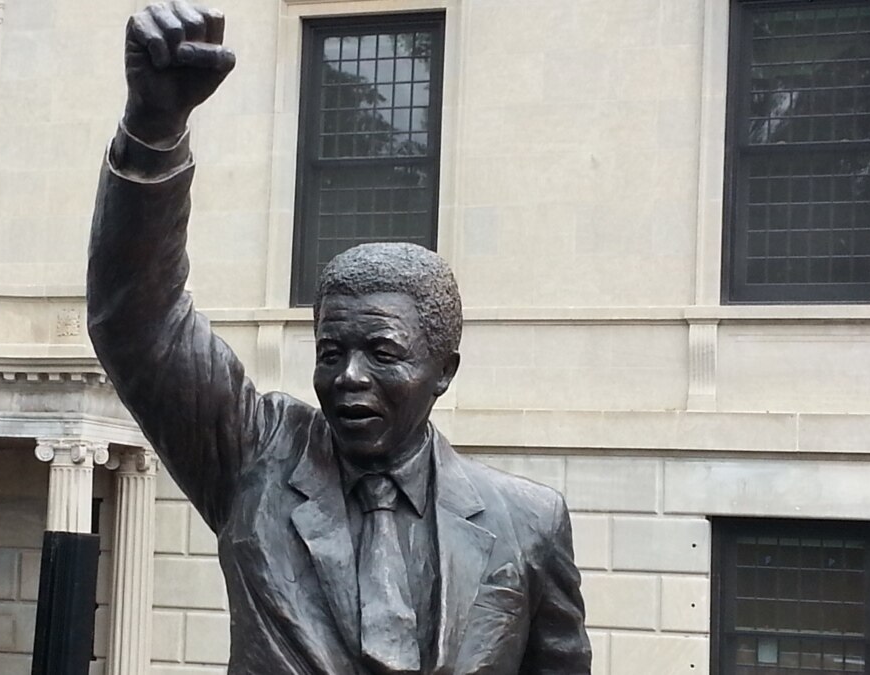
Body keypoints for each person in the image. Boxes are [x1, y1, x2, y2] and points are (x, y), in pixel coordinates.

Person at [87, 3, 591, 673]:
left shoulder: (527, 522)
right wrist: (154, 127)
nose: (348, 376)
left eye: (382, 353)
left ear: (444, 369)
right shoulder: (254, 457)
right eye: (330, 352)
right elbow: (138, 321)